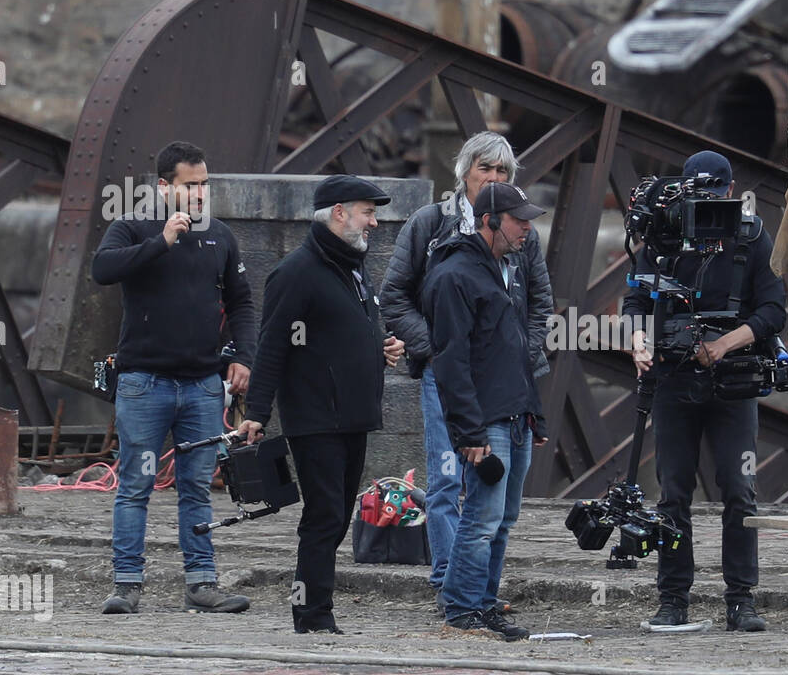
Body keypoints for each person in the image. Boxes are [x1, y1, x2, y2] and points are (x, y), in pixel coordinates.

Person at [380, 132, 553, 613]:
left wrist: (520, 352)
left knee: (499, 502)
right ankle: (450, 586)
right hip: (449, 374)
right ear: (465, 173)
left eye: (502, 172)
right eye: (486, 170)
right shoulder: (431, 224)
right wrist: (436, 349)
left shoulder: (522, 234)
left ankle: (476, 593)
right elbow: (393, 296)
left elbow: (541, 303)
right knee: (448, 479)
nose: (493, 178)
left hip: (507, 383)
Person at [622, 151, 788, 632]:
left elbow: (774, 311)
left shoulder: (752, 237)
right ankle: (673, 597)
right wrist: (639, 341)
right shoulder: (665, 234)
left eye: (717, 196)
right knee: (674, 493)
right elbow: (635, 298)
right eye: (701, 197)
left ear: (731, 190)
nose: (710, 207)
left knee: (739, 491)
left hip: (732, 383)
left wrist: (723, 346)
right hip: (674, 381)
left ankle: (741, 599)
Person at [91, 140, 256, 615]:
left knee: (196, 487)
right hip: (144, 382)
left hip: (203, 385)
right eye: (190, 186)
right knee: (136, 486)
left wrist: (243, 356)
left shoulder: (220, 236)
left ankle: (202, 584)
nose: (200, 194)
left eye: (205, 184)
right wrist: (161, 242)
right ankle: (126, 585)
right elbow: (103, 270)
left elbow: (242, 301)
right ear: (164, 187)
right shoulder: (132, 226)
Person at [236, 175, 405, 634]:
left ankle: (315, 609)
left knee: (335, 516)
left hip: (352, 415)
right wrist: (256, 413)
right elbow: (272, 347)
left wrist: (381, 347)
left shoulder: (352, 266)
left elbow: (344, 331)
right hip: (315, 418)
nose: (374, 221)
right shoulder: (296, 271)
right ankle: (310, 613)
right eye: (368, 211)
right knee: (323, 516)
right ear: (338, 212)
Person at [421, 181, 549, 640]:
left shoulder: (501, 270)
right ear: (491, 220)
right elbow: (451, 363)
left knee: (501, 519)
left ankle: (482, 603)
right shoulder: (455, 276)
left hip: (514, 417)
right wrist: (470, 434)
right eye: (519, 220)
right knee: (482, 518)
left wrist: (534, 414)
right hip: (488, 422)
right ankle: (462, 607)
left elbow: (513, 353)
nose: (527, 230)